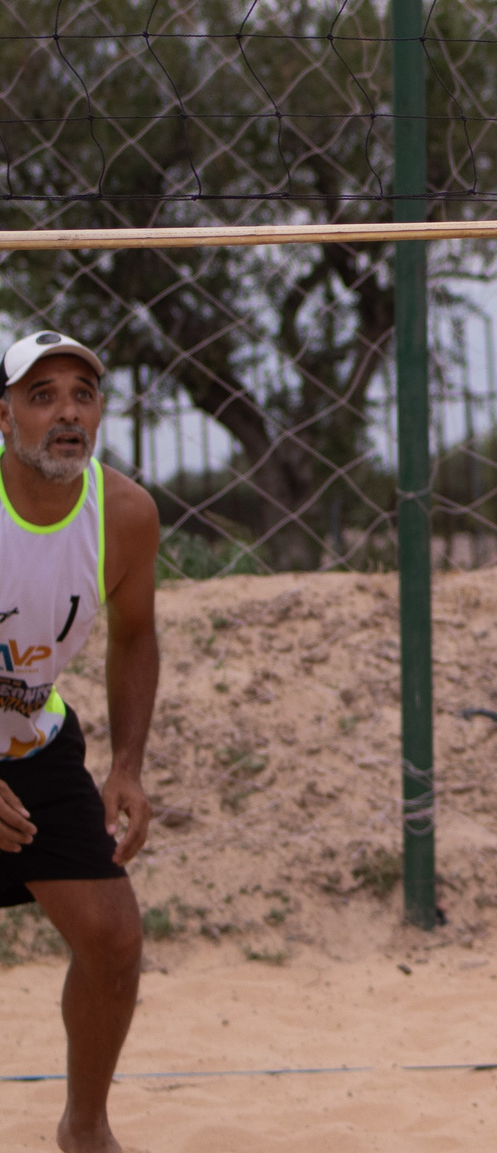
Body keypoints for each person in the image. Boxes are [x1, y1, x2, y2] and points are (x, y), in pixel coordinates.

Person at [0, 331, 162, 1153]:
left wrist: (127, 764)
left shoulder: (124, 514)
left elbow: (135, 636)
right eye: (41, 394)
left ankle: (85, 1125)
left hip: (31, 742)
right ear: (4, 416)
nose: (66, 410)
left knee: (113, 937)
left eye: (82, 393)